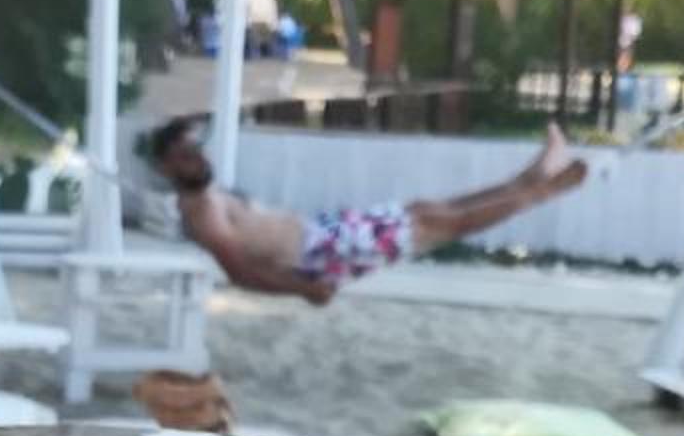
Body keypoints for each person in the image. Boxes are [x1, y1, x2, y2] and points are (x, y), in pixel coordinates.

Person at [143, 115, 588, 304]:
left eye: (197, 150)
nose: (197, 159)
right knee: (442, 224)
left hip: (323, 234)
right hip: (321, 255)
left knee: (428, 210)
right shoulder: (201, 213)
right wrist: (304, 290)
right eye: (185, 156)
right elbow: (241, 272)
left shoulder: (206, 195)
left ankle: (529, 178)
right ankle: (542, 191)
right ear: (166, 167)